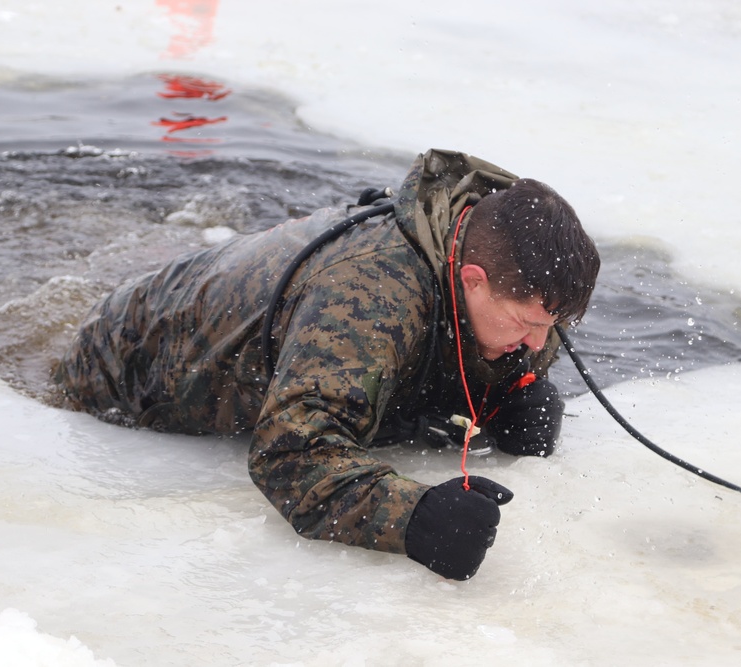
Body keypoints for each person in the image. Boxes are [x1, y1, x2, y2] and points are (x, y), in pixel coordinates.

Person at [54, 148, 601, 580]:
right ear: (472, 279)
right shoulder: (369, 298)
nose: (537, 343)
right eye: (526, 326)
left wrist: (507, 396)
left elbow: (493, 343)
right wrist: (415, 518)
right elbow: (289, 453)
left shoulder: (522, 276)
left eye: (551, 327)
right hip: (125, 364)